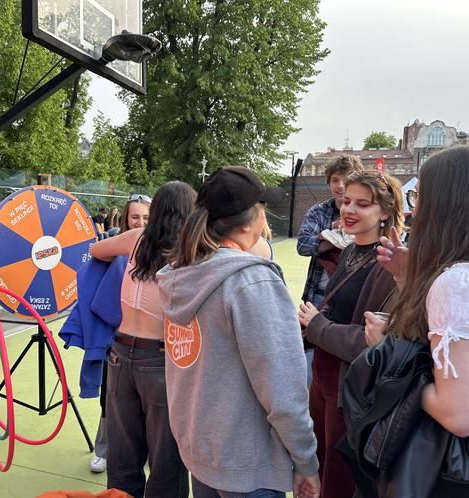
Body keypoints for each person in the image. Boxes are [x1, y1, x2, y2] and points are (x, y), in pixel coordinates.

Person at [158, 166, 321, 498]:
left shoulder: (183, 275)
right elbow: (283, 389)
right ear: (250, 222)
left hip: (203, 454)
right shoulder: (251, 282)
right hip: (247, 467)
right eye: (263, 211)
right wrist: (306, 461)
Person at [377, 143, 469, 437]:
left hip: (441, 447)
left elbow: (459, 415)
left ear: (443, 204)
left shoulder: (462, 283)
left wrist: (384, 352)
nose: (415, 206)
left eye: (420, 196)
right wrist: (408, 278)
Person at [298, 170, 403, 498]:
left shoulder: (388, 262)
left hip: (350, 388)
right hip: (324, 376)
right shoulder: (349, 251)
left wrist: (318, 326)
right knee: (317, 467)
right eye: (345, 202)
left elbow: (373, 339)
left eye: (363, 204)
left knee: (337, 479)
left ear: (384, 212)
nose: (349, 210)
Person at [90, 181, 195, 498]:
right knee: (166, 460)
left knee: (122, 457)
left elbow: (95, 250)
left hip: (120, 355)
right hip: (160, 361)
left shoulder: (136, 240)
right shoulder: (190, 253)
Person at [88, 195, 152, 474]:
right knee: (110, 397)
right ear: (126, 217)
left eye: (147, 218)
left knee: (145, 403)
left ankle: (143, 453)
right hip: (116, 334)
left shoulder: (162, 245)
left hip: (147, 339)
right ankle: (103, 449)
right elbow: (95, 252)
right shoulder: (120, 242)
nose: (141, 223)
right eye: (136, 217)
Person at [297, 154, 363, 308]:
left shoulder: (367, 213)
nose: (340, 185)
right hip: (319, 294)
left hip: (354, 296)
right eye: (335, 180)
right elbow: (303, 246)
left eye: (346, 180)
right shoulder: (318, 212)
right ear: (328, 183)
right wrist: (335, 235)